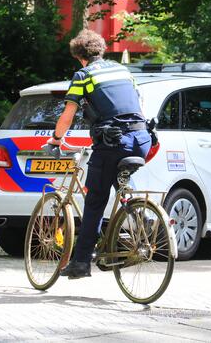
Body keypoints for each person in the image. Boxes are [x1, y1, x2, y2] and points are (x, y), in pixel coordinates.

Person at [47, 29, 152, 279]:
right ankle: (138, 210)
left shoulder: (84, 75)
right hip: (142, 138)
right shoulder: (122, 71)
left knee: (95, 201)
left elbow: (69, 113)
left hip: (114, 142)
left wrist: (57, 139)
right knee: (120, 175)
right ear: (100, 50)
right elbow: (138, 103)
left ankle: (81, 263)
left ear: (79, 56)